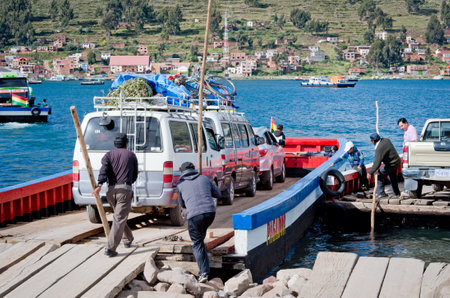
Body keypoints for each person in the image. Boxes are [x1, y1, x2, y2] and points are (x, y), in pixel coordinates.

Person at [92, 133, 138, 257]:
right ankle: (111, 248)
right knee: (119, 218)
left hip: (110, 190)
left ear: (114, 144)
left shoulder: (108, 155)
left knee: (119, 216)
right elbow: (135, 174)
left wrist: (99, 184)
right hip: (124, 189)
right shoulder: (131, 155)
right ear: (126, 144)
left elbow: (103, 170)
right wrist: (128, 183)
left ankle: (128, 239)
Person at [176, 162, 221, 283]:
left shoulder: (180, 185)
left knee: (197, 243)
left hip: (194, 216)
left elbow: (182, 205)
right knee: (200, 239)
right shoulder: (205, 178)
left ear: (182, 172)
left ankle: (203, 273)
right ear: (194, 169)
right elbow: (218, 194)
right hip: (210, 213)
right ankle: (205, 265)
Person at [367, 133, 401, 199]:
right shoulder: (386, 140)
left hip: (391, 164)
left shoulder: (379, 148)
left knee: (379, 175)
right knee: (392, 177)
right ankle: (396, 193)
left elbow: (377, 163)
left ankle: (380, 194)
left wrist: (370, 172)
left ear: (373, 141)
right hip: (397, 161)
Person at [397, 118, 418, 198]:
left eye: (402, 125)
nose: (401, 128)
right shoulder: (407, 130)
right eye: (400, 127)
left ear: (406, 123)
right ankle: (408, 190)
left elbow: (414, 141)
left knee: (408, 172)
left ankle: (410, 190)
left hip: (410, 154)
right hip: (407, 154)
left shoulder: (411, 129)